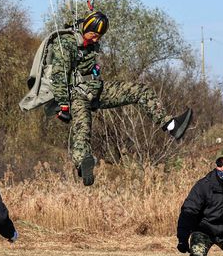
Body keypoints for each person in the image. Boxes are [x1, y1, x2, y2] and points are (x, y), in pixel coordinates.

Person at [50, 10, 192, 186]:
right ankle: (83, 164)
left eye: (99, 37)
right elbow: (58, 76)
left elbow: (88, 26)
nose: (96, 40)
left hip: (95, 90)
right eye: (93, 35)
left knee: (139, 90)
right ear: (85, 28)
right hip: (76, 96)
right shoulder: (65, 44)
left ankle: (172, 126)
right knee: (83, 130)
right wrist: (63, 105)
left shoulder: (90, 38)